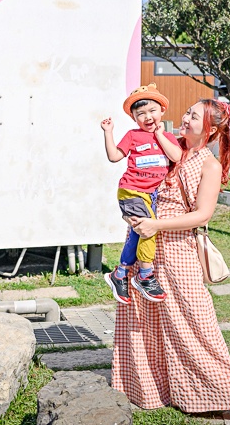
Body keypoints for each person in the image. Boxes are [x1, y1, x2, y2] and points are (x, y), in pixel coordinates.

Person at [112, 98, 230, 425]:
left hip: (178, 250)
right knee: (143, 320)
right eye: (187, 110)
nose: (184, 117)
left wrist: (156, 225)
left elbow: (202, 215)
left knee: (196, 322)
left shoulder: (209, 164)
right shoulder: (169, 146)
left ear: (209, 128)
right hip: (144, 244)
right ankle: (151, 390)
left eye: (192, 115)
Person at [100, 84, 183, 304]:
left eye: (152, 111)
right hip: (131, 191)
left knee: (137, 233)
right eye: (140, 114)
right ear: (134, 118)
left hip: (150, 195)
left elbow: (175, 156)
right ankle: (145, 276)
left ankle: (119, 274)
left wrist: (160, 135)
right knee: (148, 230)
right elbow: (114, 156)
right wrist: (108, 133)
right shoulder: (133, 136)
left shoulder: (168, 138)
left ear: (162, 111)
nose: (147, 117)